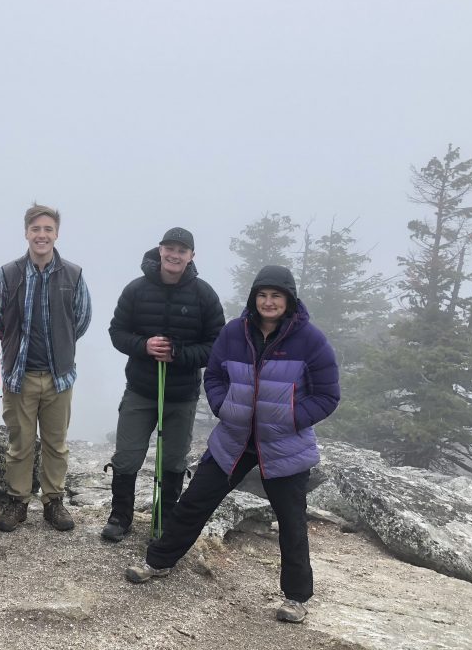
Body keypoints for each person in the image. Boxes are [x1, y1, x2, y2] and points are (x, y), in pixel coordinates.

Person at [124, 265, 339, 625]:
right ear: (254, 299)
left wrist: (290, 418)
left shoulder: (310, 340)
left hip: (284, 445)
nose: (268, 302)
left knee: (291, 523)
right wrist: (224, 406)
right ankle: (157, 561)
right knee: (195, 503)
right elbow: (216, 374)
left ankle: (297, 597)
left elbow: (327, 395)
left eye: (276, 296)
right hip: (234, 439)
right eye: (262, 295)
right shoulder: (234, 333)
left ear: (289, 300)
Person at [101, 227, 225, 542]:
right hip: (140, 390)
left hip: (181, 396)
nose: (174, 254)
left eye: (182, 250)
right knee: (127, 456)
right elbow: (117, 332)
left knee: (172, 461)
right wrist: (144, 346)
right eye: (170, 248)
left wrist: (180, 354)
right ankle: (120, 517)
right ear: (160, 250)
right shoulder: (136, 290)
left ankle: (164, 519)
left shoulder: (204, 295)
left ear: (191, 256)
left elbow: (217, 345)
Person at [0, 203, 92, 533]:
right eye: (36, 229)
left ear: (56, 234)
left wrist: (63, 343)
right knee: (20, 444)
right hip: (19, 376)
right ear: (26, 233)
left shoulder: (73, 274)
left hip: (59, 376)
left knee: (56, 444)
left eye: (48, 229)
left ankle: (53, 502)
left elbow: (82, 318)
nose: (42, 235)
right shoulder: (7, 274)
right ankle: (17, 501)